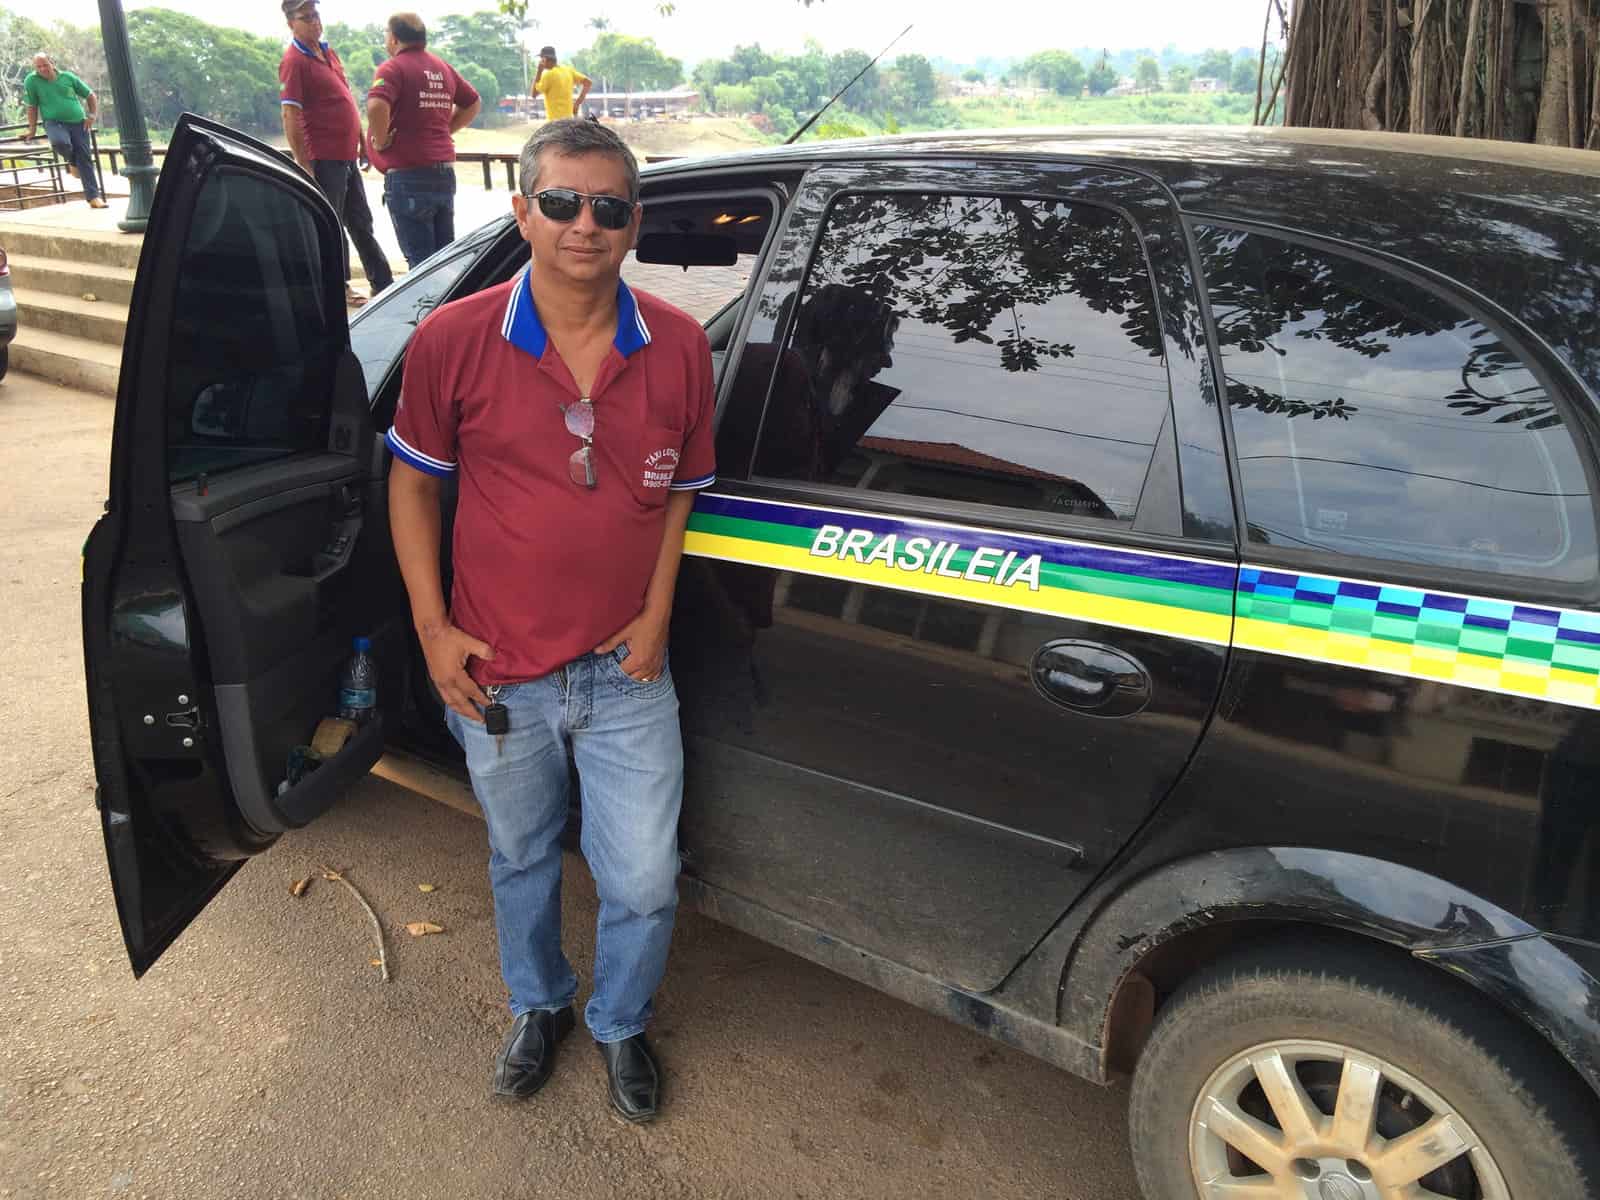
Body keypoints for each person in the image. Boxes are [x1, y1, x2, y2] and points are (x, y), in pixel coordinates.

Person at [385, 118, 715, 1124]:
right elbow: (412, 486)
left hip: (626, 673)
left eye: (608, 207)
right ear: (522, 210)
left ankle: (619, 1020)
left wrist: (655, 616)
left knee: (646, 878)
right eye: (563, 202)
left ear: (633, 223)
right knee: (520, 856)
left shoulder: (680, 346)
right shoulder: (454, 338)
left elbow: (678, 497)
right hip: (500, 673)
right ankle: (539, 1005)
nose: (585, 225)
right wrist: (434, 630)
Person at [278, 0, 393, 307]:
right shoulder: (294, 61)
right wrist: (304, 163)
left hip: (346, 155)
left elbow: (346, 102)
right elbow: (290, 114)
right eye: (306, 18)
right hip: (323, 156)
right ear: (291, 24)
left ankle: (383, 281)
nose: (315, 22)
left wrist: (361, 141)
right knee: (331, 223)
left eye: (316, 15)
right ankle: (338, 287)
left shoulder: (329, 54)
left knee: (360, 220)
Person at [365, 12, 481, 268]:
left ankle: (429, 309)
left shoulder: (392, 68)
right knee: (444, 261)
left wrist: (381, 141)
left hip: (408, 177)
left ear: (394, 39)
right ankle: (448, 306)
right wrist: (445, 129)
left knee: (420, 267)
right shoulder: (441, 67)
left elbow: (375, 106)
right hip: (442, 175)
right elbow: (473, 102)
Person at [23, 54, 105, 209]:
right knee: (59, 142)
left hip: (79, 123)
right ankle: (73, 162)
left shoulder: (67, 77)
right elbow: (32, 106)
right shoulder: (31, 81)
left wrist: (92, 115)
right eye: (38, 67)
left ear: (52, 63)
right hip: (54, 122)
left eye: (45, 65)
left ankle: (94, 197)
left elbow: (90, 96)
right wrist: (32, 129)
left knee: (85, 158)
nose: (42, 69)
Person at [531, 46, 590, 123]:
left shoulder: (548, 75)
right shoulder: (568, 70)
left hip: (554, 124)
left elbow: (534, 94)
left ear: (544, 59)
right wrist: (577, 103)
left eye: (541, 59)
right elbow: (588, 83)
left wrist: (538, 72)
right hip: (570, 121)